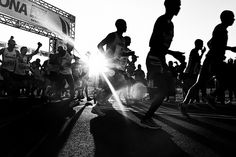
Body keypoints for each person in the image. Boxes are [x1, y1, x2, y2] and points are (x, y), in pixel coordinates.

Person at [179, 10, 236, 117]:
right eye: (232, 17)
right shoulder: (221, 30)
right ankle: (211, 96)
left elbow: (210, 43)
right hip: (213, 60)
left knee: (200, 83)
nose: (234, 19)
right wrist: (229, 49)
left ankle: (185, 103)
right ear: (226, 18)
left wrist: (222, 52)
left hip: (212, 59)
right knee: (228, 81)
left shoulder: (220, 29)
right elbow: (214, 45)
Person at [141, 0, 185, 129]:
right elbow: (153, 44)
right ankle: (146, 118)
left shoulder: (171, 24)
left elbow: (162, 47)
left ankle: (148, 113)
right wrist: (173, 54)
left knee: (168, 90)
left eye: (179, 6)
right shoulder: (161, 21)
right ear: (168, 6)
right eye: (177, 5)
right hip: (154, 59)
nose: (179, 8)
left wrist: (171, 54)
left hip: (160, 58)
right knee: (164, 89)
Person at [92, 19, 128, 116]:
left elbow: (121, 52)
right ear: (119, 26)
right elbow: (99, 45)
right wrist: (105, 56)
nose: (126, 27)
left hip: (117, 65)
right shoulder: (113, 35)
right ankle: (97, 106)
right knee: (116, 84)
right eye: (124, 25)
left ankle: (101, 101)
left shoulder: (123, 39)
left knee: (119, 84)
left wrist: (129, 53)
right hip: (111, 65)